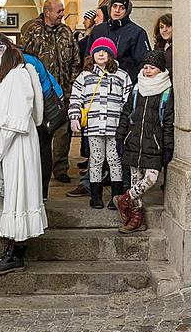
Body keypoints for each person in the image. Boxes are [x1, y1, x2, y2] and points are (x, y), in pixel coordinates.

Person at [0, 33, 47, 275]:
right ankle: (11, 249)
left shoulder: (17, 76)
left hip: (16, 146)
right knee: (10, 195)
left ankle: (17, 253)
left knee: (18, 195)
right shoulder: (4, 76)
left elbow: (14, 121)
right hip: (7, 145)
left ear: (5, 49)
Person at [20, 0, 81, 183]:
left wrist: (71, 86)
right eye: (59, 11)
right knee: (41, 132)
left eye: (62, 10)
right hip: (40, 93)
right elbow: (24, 60)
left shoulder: (66, 32)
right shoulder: (32, 31)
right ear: (47, 12)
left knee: (63, 132)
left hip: (62, 91)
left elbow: (75, 61)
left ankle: (60, 168)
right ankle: (39, 166)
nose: (62, 14)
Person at [69, 37, 132, 209]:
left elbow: (128, 102)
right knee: (96, 159)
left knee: (115, 160)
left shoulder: (122, 76)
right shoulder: (85, 77)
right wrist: (74, 116)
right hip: (94, 126)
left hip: (115, 127)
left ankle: (116, 197)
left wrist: (127, 124)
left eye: (105, 51)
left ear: (112, 55)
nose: (101, 53)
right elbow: (76, 98)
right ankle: (95, 196)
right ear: (92, 55)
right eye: (97, 51)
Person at [114, 50, 174, 233]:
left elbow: (169, 122)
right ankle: (136, 220)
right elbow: (126, 114)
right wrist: (119, 136)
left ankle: (124, 199)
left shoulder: (166, 92)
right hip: (133, 142)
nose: (147, 71)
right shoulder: (136, 89)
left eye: (152, 67)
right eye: (145, 67)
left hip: (153, 144)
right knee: (135, 179)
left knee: (151, 178)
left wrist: (168, 147)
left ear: (161, 69)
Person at [21, 49, 64, 202]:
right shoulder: (30, 58)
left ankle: (38, 191)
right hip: (48, 107)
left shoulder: (23, 62)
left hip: (43, 110)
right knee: (44, 149)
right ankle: (41, 192)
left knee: (40, 150)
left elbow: (31, 92)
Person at [86, 0, 151, 84]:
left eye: (122, 8)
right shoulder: (98, 30)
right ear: (110, 8)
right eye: (114, 6)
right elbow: (88, 56)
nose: (117, 10)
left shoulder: (137, 32)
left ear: (127, 10)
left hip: (124, 83)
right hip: (97, 83)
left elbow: (143, 61)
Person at [153, 13, 172, 78]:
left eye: (168, 26)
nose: (164, 30)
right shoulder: (158, 47)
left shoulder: (179, 47)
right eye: (161, 27)